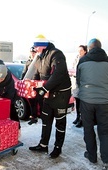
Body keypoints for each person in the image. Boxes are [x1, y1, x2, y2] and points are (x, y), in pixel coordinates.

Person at [29, 34, 71, 159]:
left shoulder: (56, 54)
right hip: (48, 95)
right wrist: (31, 85)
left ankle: (58, 147)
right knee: (46, 120)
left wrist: (44, 88)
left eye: (36, 47)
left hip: (60, 94)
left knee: (60, 122)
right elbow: (37, 74)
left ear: (42, 46)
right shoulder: (40, 57)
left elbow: (58, 74)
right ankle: (43, 145)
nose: (35, 49)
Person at [76, 38, 108, 169]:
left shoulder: (83, 60)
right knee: (105, 131)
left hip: (86, 101)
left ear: (89, 49)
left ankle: (92, 155)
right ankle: (106, 159)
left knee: (88, 128)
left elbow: (79, 80)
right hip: (104, 101)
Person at [0, 64, 20, 129]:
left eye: (2, 79)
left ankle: (17, 129)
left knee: (12, 110)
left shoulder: (10, 80)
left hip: (5, 95)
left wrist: (6, 103)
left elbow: (10, 94)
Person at [72, 45, 87, 128]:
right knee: (77, 102)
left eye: (81, 50)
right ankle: (77, 117)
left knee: (82, 104)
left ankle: (81, 119)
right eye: (78, 51)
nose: (79, 52)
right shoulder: (77, 59)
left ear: (85, 51)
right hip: (76, 84)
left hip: (82, 84)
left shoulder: (85, 60)